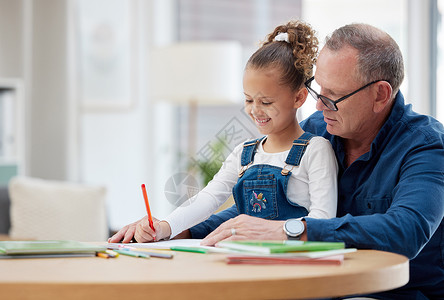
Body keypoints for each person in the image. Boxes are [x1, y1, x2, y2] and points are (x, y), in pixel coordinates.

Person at [188, 23, 444, 299]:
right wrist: (184, 232)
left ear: (380, 94)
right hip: (320, 288)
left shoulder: (426, 146)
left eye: (333, 95)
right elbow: (266, 208)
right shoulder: (316, 131)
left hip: (397, 294)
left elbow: (406, 231)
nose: (319, 106)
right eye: (318, 89)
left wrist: (291, 230)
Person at [109, 20, 338, 243]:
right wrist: (164, 227)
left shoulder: (315, 150)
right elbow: (208, 199)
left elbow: (323, 219)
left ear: (299, 97)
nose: (255, 110)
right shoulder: (244, 153)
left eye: (266, 102)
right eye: (248, 100)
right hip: (244, 258)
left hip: (294, 262)